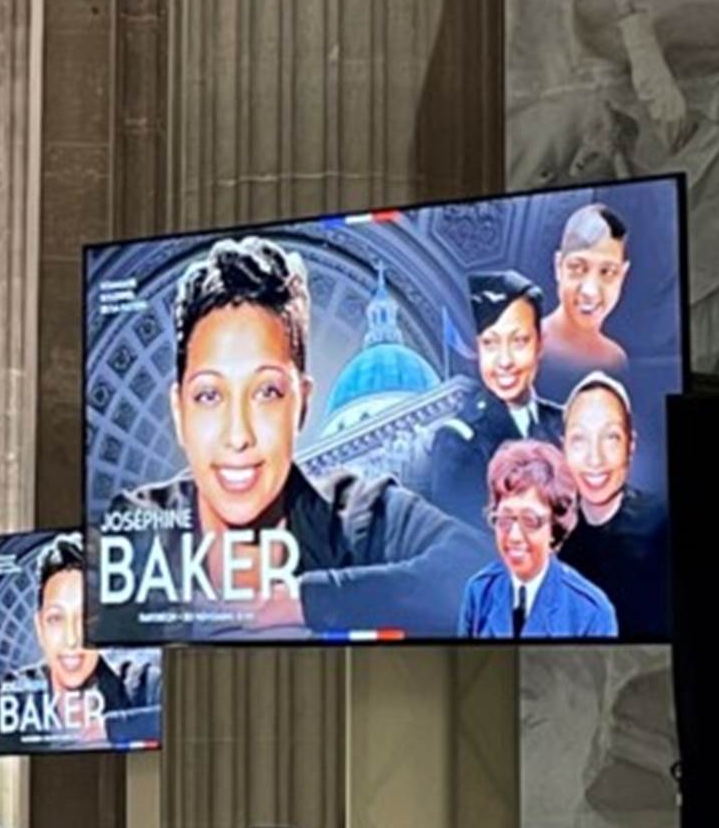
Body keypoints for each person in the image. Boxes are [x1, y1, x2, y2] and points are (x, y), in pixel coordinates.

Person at [97, 236, 488, 639]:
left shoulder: (360, 516)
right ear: (179, 413)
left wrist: (307, 601)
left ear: (301, 404)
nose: (238, 435)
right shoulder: (134, 526)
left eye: (267, 392)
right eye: (209, 395)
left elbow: (479, 570)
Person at [429, 270, 564, 528]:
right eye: (490, 343)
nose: (504, 361)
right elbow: (465, 548)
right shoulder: (459, 442)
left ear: (540, 343)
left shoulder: (565, 424)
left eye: (519, 341)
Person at [0, 533, 158, 745]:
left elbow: (188, 714)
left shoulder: (142, 685)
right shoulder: (16, 694)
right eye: (56, 618)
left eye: (86, 618)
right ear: (40, 628)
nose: (72, 639)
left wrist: (113, 727)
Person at [458, 440, 618, 638]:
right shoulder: (479, 591)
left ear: (555, 527)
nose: (514, 536)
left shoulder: (592, 612)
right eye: (505, 519)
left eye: (530, 520)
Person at [558, 373, 669, 638]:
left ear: (630, 445)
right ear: (563, 448)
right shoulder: (548, 541)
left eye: (611, 437)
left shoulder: (663, 523)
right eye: (579, 439)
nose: (594, 459)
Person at [541, 204, 631, 372]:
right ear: (558, 266)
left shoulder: (615, 360)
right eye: (577, 269)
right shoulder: (525, 348)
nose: (590, 291)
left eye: (607, 272)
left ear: (623, 275)